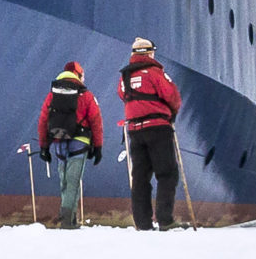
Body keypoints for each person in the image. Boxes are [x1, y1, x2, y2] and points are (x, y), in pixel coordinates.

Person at [117, 38, 182, 231]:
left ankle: (142, 222)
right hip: (158, 128)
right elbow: (173, 96)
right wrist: (172, 115)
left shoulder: (124, 78)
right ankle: (165, 219)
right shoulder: (155, 73)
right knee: (167, 173)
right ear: (149, 53)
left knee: (140, 177)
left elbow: (122, 95)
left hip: (135, 132)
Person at [33, 63, 105, 229]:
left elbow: (44, 120)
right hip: (80, 142)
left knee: (64, 181)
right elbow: (96, 121)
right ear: (78, 75)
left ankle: (70, 218)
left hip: (59, 141)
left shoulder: (52, 95)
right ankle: (66, 220)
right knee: (73, 182)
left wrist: (44, 146)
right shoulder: (86, 95)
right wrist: (98, 146)